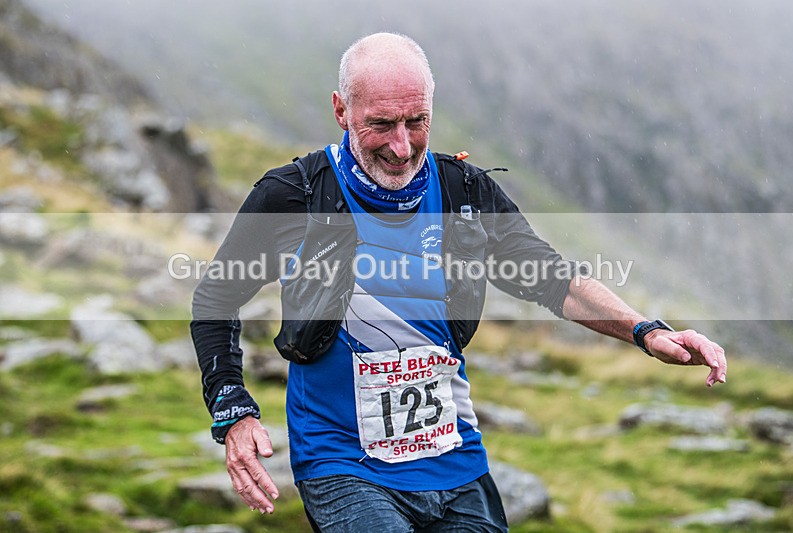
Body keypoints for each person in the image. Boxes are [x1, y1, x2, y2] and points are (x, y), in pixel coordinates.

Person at [190, 32, 727, 532]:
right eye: (381, 124)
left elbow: (555, 280)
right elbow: (217, 296)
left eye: (417, 122)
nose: (402, 147)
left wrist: (648, 333)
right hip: (342, 464)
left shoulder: (464, 192)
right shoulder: (294, 195)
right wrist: (233, 409)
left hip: (455, 460)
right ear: (340, 110)